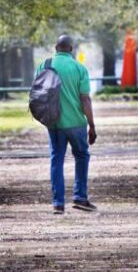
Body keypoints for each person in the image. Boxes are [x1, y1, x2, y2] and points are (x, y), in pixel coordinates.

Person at [39, 34, 97, 214]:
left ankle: (58, 203)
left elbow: (38, 93)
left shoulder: (45, 65)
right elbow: (85, 99)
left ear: (55, 48)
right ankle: (80, 197)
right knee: (81, 156)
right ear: (71, 49)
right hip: (76, 124)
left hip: (54, 122)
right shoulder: (79, 68)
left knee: (56, 159)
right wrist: (92, 125)